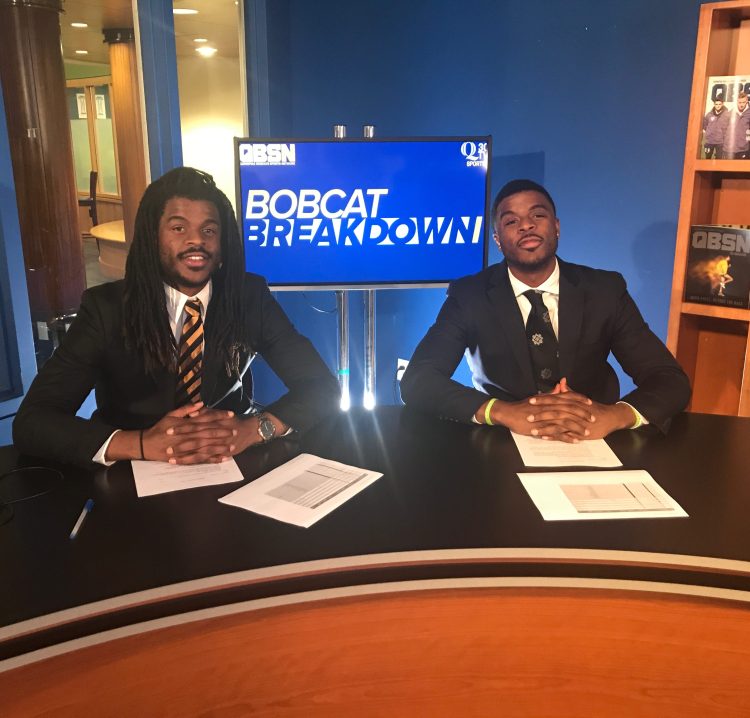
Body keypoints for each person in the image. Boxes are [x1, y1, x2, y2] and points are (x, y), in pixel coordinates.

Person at [13, 167, 340, 467]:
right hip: (133, 469)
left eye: (209, 230)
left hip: (231, 458)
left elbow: (322, 387)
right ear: (152, 237)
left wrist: (256, 429)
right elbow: (33, 421)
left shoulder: (247, 296)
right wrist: (141, 444)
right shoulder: (106, 308)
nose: (196, 240)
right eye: (178, 228)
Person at [400, 179, 691, 442]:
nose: (526, 225)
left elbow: (669, 379)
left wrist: (614, 416)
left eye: (537, 215)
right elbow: (419, 379)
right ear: (498, 239)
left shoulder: (605, 290)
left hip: (592, 436)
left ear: (557, 227)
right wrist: (501, 412)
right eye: (511, 221)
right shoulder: (469, 295)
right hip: (502, 437)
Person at [723, 92, 750, 159]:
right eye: (739, 102)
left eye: (743, 102)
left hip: (743, 149)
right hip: (729, 148)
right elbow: (723, 128)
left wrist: (746, 141)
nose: (741, 105)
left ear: (747, 102)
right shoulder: (730, 113)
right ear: (737, 102)